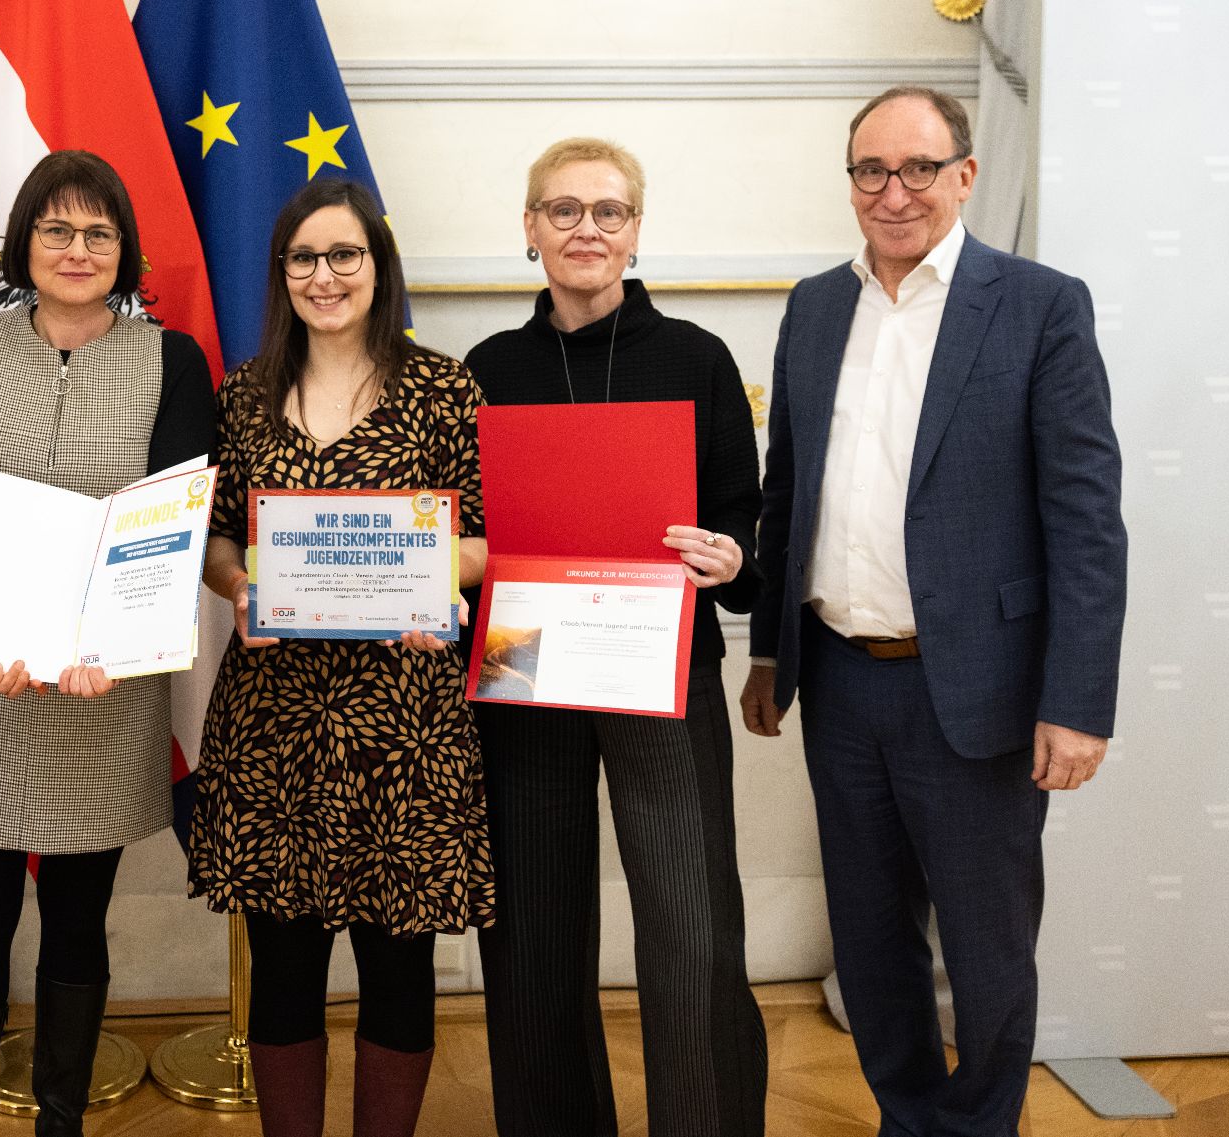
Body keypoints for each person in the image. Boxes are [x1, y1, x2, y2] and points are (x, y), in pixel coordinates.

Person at [741, 86, 1127, 1136]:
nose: (892, 191)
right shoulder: (815, 305)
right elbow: (789, 492)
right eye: (870, 170)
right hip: (840, 679)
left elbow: (1085, 522)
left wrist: (1077, 700)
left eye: (917, 168)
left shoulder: (1039, 305)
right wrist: (770, 653)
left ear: (962, 173)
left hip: (979, 691)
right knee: (868, 944)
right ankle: (910, 1119)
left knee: (988, 951)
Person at [462, 137, 768, 1137]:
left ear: (635, 229)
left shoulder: (695, 357)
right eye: (561, 210)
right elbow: (464, 531)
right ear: (527, 230)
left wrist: (730, 556)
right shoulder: (487, 369)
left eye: (606, 211)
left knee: (690, 932)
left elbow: (743, 517)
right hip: (526, 665)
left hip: (662, 663)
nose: (583, 229)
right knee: (533, 936)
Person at [0, 149, 215, 1137]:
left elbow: (166, 526)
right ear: (23, 243)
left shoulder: (172, 362)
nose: (75, 249)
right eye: (55, 229)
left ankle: (59, 1122)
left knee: (79, 921)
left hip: (103, 687)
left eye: (97, 232)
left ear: (122, 250)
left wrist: (103, 644)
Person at [189, 177, 493, 1137]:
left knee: (398, 967)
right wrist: (240, 589)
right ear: (282, 275)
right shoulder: (243, 393)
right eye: (304, 259)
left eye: (345, 255)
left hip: (404, 723)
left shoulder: (444, 388)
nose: (325, 276)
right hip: (275, 726)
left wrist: (428, 577)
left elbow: (489, 537)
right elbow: (219, 540)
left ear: (378, 264)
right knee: (282, 968)